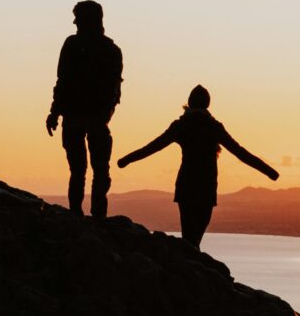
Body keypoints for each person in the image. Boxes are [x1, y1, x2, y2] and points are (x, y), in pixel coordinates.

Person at [117, 85, 278, 245]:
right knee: (195, 239)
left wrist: (126, 160)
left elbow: (151, 147)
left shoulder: (181, 125)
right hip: (206, 187)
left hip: (186, 186)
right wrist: (269, 171)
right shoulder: (214, 127)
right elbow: (241, 153)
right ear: (207, 104)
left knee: (189, 238)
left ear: (190, 102)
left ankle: (186, 264)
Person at [45, 0, 124, 217]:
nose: (74, 22)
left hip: (83, 117)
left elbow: (64, 81)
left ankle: (83, 214)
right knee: (91, 170)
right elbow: (64, 81)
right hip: (86, 117)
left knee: (85, 170)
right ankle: (88, 214)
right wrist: (55, 111)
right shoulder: (109, 50)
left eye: (78, 18)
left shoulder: (85, 47)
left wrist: (55, 111)